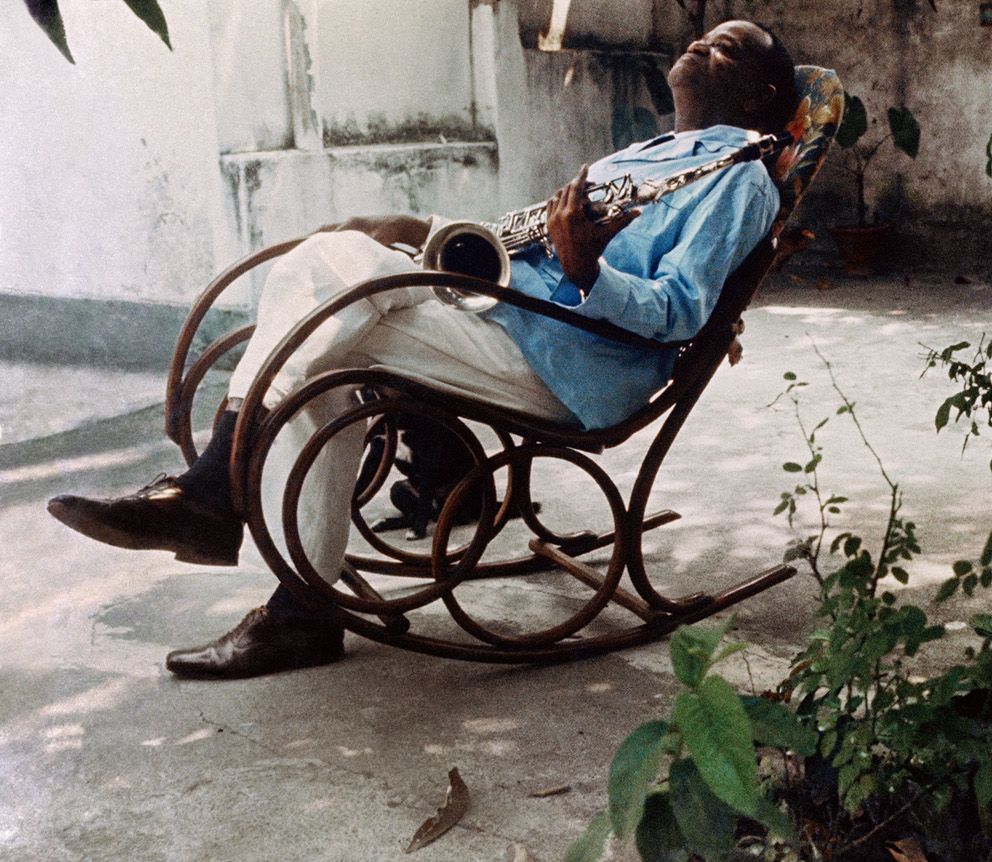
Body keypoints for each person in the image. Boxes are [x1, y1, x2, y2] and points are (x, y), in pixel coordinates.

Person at [47, 20, 800, 679]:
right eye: (707, 34)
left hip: (575, 363)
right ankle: (300, 606)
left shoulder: (737, 178)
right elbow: (523, 234)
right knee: (330, 338)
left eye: (729, 48)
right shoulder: (644, 154)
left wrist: (588, 273)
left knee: (322, 277)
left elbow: (677, 309)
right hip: (514, 320)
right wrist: (418, 226)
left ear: (761, 98)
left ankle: (214, 491)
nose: (703, 43)